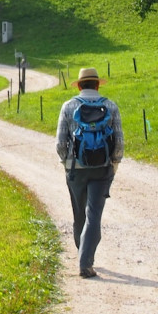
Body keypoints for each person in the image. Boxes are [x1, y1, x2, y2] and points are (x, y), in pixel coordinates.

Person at [56, 67, 123, 279]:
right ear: (97, 85)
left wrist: (66, 161)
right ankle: (86, 261)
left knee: (79, 215)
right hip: (102, 169)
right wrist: (113, 163)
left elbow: (60, 143)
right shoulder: (110, 106)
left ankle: (82, 256)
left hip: (76, 170)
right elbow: (119, 143)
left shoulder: (68, 106)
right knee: (94, 215)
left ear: (78, 85)